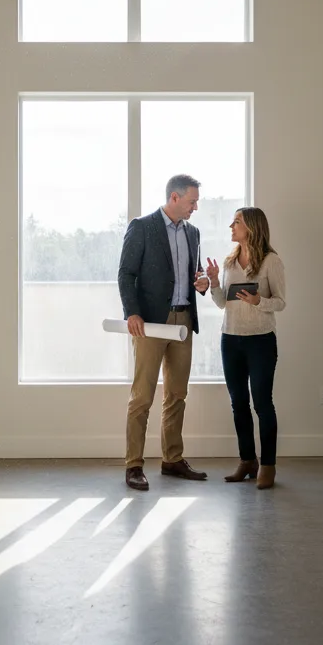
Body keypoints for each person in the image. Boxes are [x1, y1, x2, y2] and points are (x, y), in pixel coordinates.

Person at [117, 174, 210, 491]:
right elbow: (126, 273)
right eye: (191, 201)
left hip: (183, 321)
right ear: (174, 198)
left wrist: (202, 283)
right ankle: (134, 465)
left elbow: (190, 274)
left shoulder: (193, 233)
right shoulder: (142, 227)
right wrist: (131, 312)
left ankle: (172, 459)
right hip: (150, 323)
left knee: (177, 394)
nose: (195, 207)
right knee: (142, 396)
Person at [206, 207, 286, 490]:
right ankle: (247, 460)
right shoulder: (229, 262)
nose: (231, 226)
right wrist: (214, 282)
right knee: (238, 403)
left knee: (262, 404)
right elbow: (221, 303)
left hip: (261, 341)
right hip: (231, 339)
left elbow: (280, 301)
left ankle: (268, 465)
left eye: (237, 222)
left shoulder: (271, 262)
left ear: (251, 227)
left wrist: (258, 302)